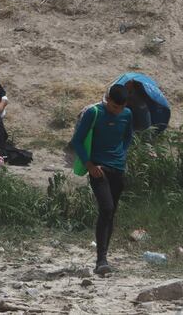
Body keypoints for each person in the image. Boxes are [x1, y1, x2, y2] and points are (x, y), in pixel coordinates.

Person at [70, 83, 134, 276]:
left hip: (118, 168)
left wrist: (121, 155)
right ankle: (101, 260)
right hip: (99, 169)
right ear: (108, 100)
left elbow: (128, 137)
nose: (117, 111)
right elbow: (77, 141)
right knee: (105, 208)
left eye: (120, 108)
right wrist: (89, 165)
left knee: (111, 213)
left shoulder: (127, 114)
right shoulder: (94, 112)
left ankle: (104, 257)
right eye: (114, 107)